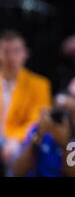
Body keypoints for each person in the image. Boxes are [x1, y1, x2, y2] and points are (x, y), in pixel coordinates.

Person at [12, 92, 75, 177]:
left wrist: (65, 145)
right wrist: (36, 138)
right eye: (59, 112)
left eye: (69, 114)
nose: (64, 119)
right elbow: (18, 172)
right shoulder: (40, 130)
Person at [0, 30, 51, 170]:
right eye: (6, 52)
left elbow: (37, 120)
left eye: (16, 51)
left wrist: (15, 139)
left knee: (15, 154)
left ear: (25, 54)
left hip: (19, 140)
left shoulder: (40, 84)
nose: (11, 57)